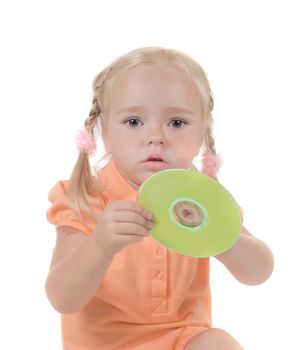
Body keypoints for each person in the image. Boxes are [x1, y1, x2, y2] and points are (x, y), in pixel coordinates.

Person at [45, 46, 274, 350]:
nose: (156, 136)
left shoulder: (203, 196)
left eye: (176, 123)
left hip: (182, 338)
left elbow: (258, 272)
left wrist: (222, 236)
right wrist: (100, 245)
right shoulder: (84, 196)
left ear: (202, 135)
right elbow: (62, 298)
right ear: (106, 133)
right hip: (104, 344)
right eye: (134, 122)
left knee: (217, 342)